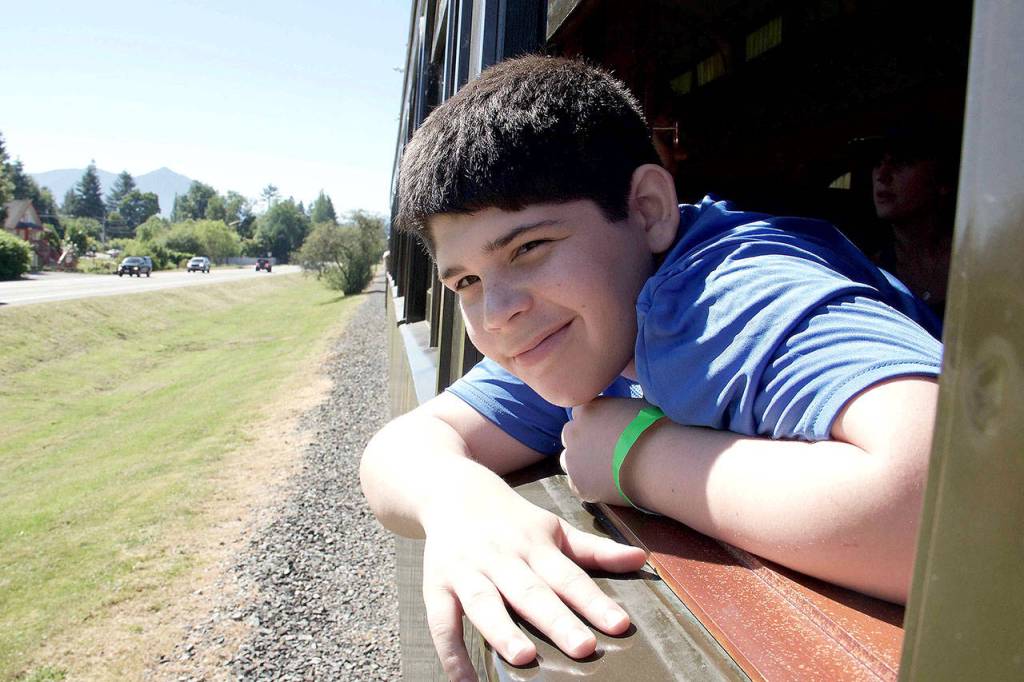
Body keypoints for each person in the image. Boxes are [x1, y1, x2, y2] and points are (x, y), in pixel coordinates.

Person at [361, 55, 942, 681]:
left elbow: (956, 510)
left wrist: (633, 455)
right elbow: (401, 448)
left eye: (529, 248)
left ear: (647, 209)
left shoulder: (724, 296)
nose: (498, 311)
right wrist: (458, 501)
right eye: (467, 281)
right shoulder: (574, 330)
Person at [857, 122, 960, 321]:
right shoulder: (868, 268)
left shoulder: (976, 264)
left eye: (902, 162)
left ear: (943, 182)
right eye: (878, 163)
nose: (882, 176)